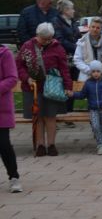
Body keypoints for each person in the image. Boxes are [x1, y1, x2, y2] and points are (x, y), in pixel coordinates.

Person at [16, 22, 73, 157]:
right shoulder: (27, 46)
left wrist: (68, 86)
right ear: (37, 35)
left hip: (51, 87)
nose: (47, 41)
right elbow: (19, 66)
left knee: (50, 116)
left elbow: (64, 69)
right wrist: (26, 78)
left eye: (49, 38)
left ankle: (51, 145)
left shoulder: (58, 47)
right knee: (38, 117)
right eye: (44, 39)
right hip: (33, 88)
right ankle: (40, 145)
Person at [71, 60, 102, 155]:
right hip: (93, 109)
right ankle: (100, 144)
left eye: (98, 71)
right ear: (90, 72)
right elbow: (82, 95)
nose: (96, 73)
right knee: (95, 126)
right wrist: (73, 94)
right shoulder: (88, 83)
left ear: (101, 72)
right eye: (93, 71)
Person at [0, 43, 22, 192]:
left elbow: (12, 78)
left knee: (3, 144)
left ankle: (14, 177)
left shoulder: (5, 54)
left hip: (1, 108)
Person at [53, 0, 80, 116]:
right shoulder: (56, 22)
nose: (73, 11)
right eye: (72, 8)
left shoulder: (73, 22)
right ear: (65, 10)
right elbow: (59, 40)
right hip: (63, 58)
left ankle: (69, 112)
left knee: (72, 84)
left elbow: (78, 36)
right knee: (63, 84)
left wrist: (80, 45)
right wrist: (76, 47)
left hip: (75, 58)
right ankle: (60, 112)